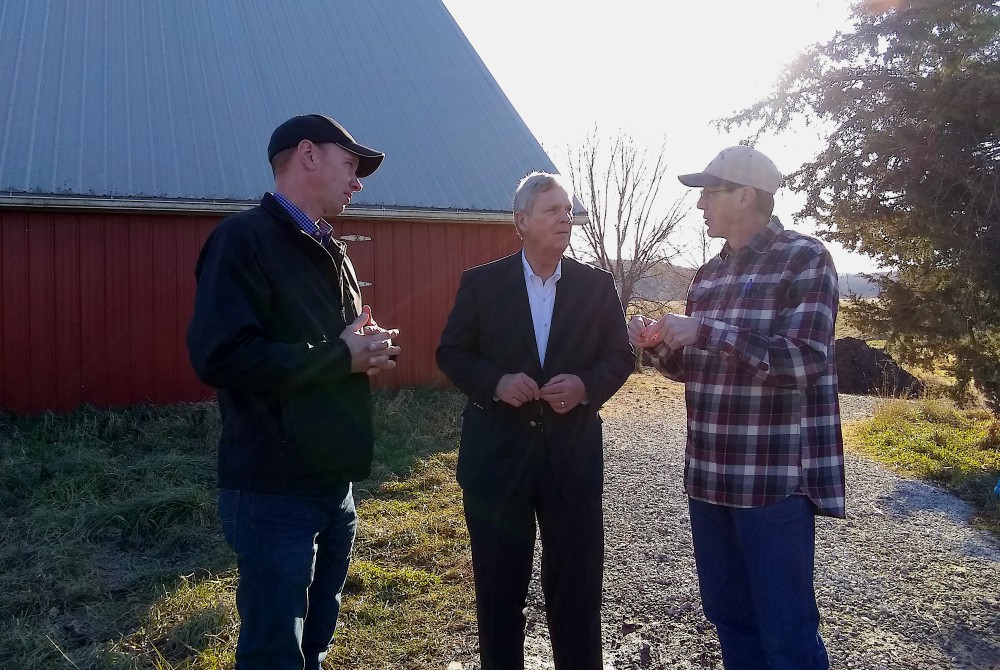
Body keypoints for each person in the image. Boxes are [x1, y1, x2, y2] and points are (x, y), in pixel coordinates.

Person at [187, 114, 401, 670]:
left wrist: (363, 350)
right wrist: (340, 356)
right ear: (307, 154)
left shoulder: (332, 248)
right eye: (350, 164)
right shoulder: (243, 240)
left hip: (333, 484)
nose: (358, 181)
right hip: (272, 491)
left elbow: (326, 350)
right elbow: (220, 355)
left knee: (314, 646)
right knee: (272, 653)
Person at [629, 146, 844, 670]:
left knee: (786, 632)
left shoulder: (805, 259)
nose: (700, 204)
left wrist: (706, 330)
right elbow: (696, 368)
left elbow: (805, 360)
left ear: (746, 196)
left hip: (772, 484)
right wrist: (657, 346)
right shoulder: (707, 276)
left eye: (710, 192)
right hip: (708, 479)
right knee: (731, 622)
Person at [436, 171, 634, 670]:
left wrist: (587, 386)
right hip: (498, 465)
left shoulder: (596, 286)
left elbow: (620, 356)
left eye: (568, 210)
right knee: (500, 599)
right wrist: (496, 383)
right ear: (521, 221)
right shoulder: (482, 284)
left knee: (577, 596)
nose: (565, 218)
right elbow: (452, 353)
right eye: (552, 210)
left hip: (572, 464)